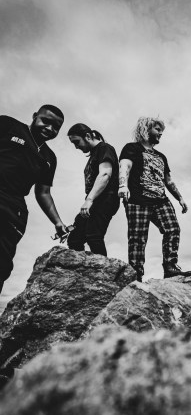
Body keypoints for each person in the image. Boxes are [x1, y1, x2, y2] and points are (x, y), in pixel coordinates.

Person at [0, 105, 67, 294]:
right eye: (45, 121)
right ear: (34, 116)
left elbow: (43, 192)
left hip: (14, 210)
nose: (49, 128)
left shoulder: (49, 158)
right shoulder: (8, 125)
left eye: (56, 127)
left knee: (2, 264)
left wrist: (58, 222)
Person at [118, 117, 191, 281]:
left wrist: (180, 198)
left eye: (161, 131)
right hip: (137, 200)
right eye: (157, 130)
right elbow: (125, 166)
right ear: (146, 129)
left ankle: (170, 267)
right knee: (137, 239)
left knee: (173, 229)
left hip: (160, 200)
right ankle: (136, 275)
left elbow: (168, 181)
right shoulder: (132, 148)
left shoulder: (161, 156)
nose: (160, 133)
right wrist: (123, 185)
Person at [67, 124, 120, 256]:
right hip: (95, 200)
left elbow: (105, 174)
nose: (76, 147)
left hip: (106, 198)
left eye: (76, 142)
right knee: (75, 238)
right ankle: (80, 266)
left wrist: (89, 200)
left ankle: (103, 268)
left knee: (94, 235)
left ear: (88, 136)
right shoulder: (94, 154)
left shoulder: (105, 148)